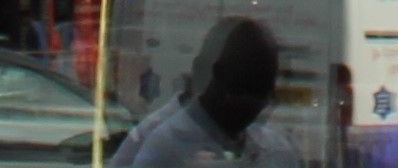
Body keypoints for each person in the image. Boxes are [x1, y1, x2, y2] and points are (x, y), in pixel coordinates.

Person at [119, 20, 303, 168]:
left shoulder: (276, 150)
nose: (256, 104)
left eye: (264, 93)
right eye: (247, 88)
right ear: (219, 75)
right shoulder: (167, 147)